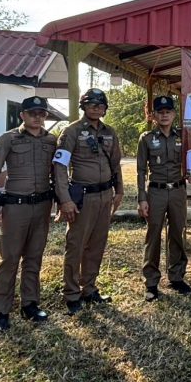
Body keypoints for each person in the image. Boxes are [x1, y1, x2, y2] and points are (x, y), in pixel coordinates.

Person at [0, 96, 57, 333]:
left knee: (35, 256)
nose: (37, 117)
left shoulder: (52, 141)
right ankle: (2, 310)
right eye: (32, 112)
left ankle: (30, 304)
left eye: (42, 113)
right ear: (22, 115)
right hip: (16, 207)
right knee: (10, 258)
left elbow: (59, 174)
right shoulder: (8, 139)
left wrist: (62, 202)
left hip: (42, 206)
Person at [53, 88, 123, 315]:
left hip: (105, 196)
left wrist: (119, 191)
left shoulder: (110, 132)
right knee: (76, 245)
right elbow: (60, 167)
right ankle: (72, 294)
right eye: (92, 104)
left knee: (97, 245)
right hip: (81, 197)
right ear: (84, 106)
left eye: (101, 104)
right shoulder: (71, 131)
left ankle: (89, 288)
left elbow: (115, 164)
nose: (97, 108)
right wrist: (65, 200)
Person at [137, 96, 191, 301]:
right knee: (153, 237)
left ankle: (176, 277)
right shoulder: (146, 138)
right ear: (154, 116)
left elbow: (190, 162)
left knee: (177, 232)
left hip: (178, 190)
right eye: (160, 112)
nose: (164, 115)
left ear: (174, 114)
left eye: (168, 111)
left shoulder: (183, 136)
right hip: (156, 192)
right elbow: (141, 170)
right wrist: (142, 198)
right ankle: (151, 282)